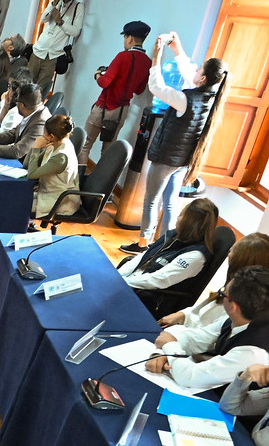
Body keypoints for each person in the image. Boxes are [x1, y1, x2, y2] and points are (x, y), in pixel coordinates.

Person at [135, 31, 229, 244]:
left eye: (199, 69)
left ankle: (142, 243)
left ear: (203, 78)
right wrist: (177, 49)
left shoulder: (186, 99)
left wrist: (156, 58)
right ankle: (163, 244)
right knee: (170, 202)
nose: (195, 70)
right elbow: (189, 74)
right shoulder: (211, 97)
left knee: (151, 200)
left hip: (167, 158)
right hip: (183, 161)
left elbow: (156, 87)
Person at [148, 264, 269, 394]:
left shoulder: (252, 354)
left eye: (223, 293)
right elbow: (195, 338)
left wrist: (169, 346)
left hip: (227, 407)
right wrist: (165, 353)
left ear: (233, 306)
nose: (221, 296)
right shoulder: (248, 316)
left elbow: (189, 377)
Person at [155, 232, 269, 346]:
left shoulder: (243, 300)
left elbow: (210, 338)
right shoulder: (238, 282)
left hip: (191, 343)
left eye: (234, 249)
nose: (230, 250)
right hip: (187, 334)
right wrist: (182, 314)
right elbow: (205, 311)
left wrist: (172, 341)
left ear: (241, 259)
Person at [121, 196, 219, 296]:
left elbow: (158, 280)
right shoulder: (173, 235)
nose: (177, 218)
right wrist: (118, 275)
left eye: (181, 215)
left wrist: (123, 282)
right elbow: (144, 256)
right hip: (133, 282)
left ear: (189, 223)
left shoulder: (196, 255)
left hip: (147, 294)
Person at [84, 21, 152, 162]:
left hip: (103, 107)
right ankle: (101, 176)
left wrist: (98, 74)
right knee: (107, 150)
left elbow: (104, 83)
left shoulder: (122, 56)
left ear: (130, 38)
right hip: (121, 112)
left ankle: (78, 175)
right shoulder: (147, 62)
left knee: (85, 145)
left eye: (125, 37)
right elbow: (139, 90)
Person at [31, 0, 86, 106]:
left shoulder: (78, 7)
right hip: (38, 50)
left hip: (53, 56)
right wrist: (53, 4)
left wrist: (60, 21)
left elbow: (75, 31)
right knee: (25, 84)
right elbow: (43, 19)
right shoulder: (56, 2)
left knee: (39, 92)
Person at [23, 114, 81, 226]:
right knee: (14, 195)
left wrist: (36, 148)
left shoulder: (61, 157)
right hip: (48, 193)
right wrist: (36, 148)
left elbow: (31, 174)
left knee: (16, 203)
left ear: (51, 136)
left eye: (44, 132)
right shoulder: (56, 143)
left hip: (59, 201)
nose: (42, 135)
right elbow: (26, 165)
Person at [0, 81, 48, 160]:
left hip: (24, 163)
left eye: (17, 102)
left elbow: (17, 151)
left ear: (22, 105)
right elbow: (14, 134)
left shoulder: (40, 123)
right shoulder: (33, 111)